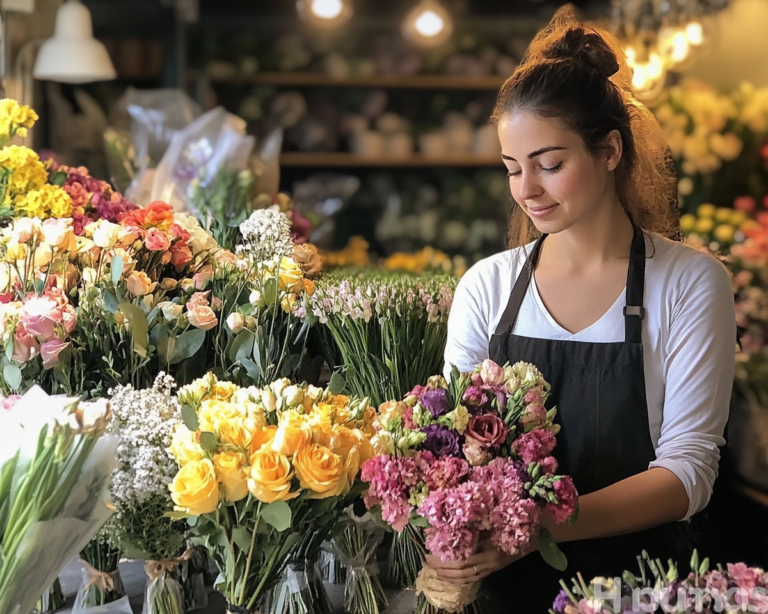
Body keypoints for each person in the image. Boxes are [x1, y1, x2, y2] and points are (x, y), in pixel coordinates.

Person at [433, 10, 736, 612]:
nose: (527, 190)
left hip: (639, 590)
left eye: (549, 164)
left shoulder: (688, 284)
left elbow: (687, 473)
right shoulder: (487, 288)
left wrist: (537, 529)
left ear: (610, 151)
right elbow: (448, 449)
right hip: (504, 592)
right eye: (513, 168)